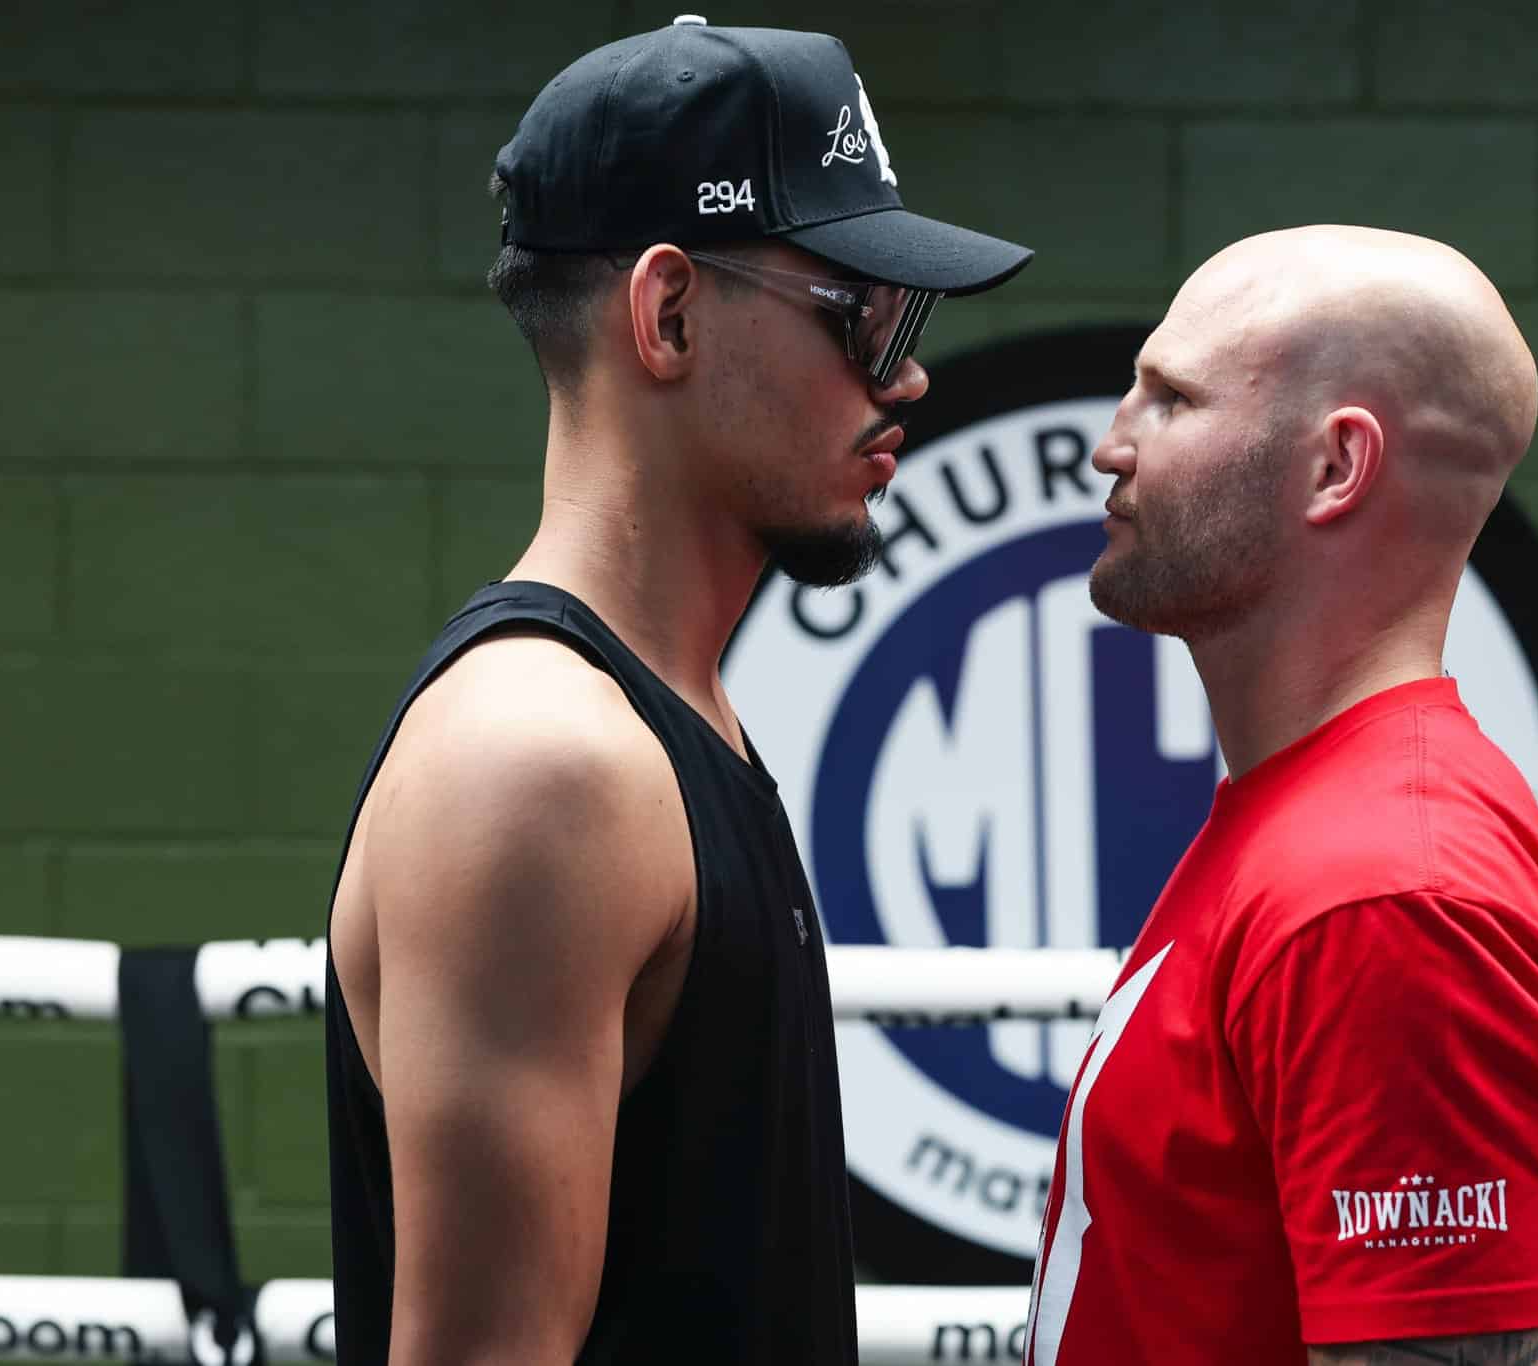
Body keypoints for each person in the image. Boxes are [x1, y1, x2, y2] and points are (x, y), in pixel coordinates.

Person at [321, 17, 1031, 1364]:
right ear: (670, 313)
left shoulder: (665, 720)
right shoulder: (542, 763)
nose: (908, 374)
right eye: (858, 315)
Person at [1025, 226, 1538, 1366]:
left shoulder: (1384, 889)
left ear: (1335, 467)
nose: (1108, 447)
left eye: (1171, 400)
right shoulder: (1317, 829)